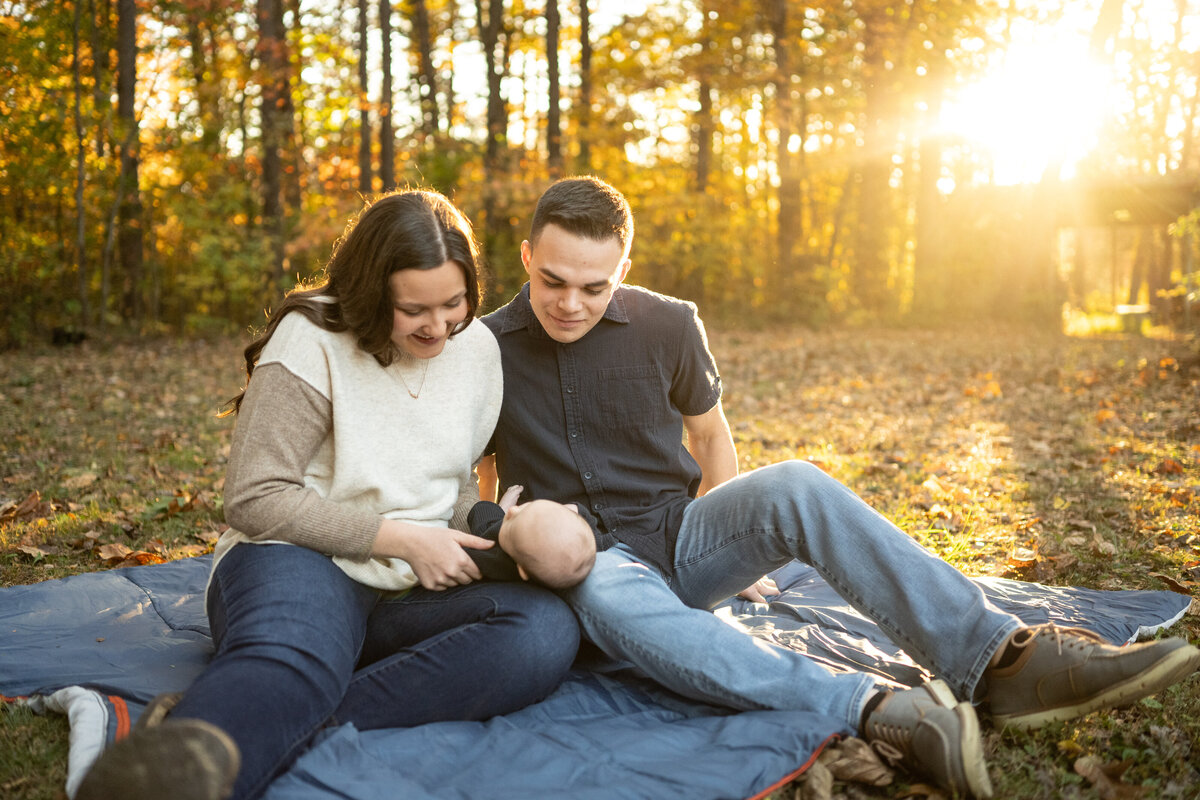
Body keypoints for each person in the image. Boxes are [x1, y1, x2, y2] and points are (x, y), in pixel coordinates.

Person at [476, 176, 1200, 799]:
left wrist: (731, 545)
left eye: (594, 287)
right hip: (582, 564)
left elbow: (710, 436)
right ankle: (884, 708)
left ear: (623, 265)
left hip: (678, 535)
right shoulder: (483, 348)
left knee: (795, 481)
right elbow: (471, 471)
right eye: (554, 282)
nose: (571, 303)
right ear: (528, 256)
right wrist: (495, 527)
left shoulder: (669, 324)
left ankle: (1001, 659)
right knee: (602, 583)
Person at [77, 190, 580, 800]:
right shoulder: (312, 336)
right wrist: (396, 537)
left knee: (542, 633)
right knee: (293, 663)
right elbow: (254, 497)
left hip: (409, 582)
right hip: (297, 556)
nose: (438, 327)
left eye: (454, 303)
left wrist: (496, 523)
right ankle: (185, 765)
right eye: (414, 309)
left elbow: (442, 485)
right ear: (372, 292)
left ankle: (277, 719)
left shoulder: (477, 350)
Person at [467, 484, 597, 588]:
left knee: (488, 517)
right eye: (528, 507)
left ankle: (501, 510)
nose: (513, 511)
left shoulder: (491, 558)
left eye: (510, 524)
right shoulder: (548, 567)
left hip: (491, 523)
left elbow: (482, 520)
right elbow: (590, 531)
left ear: (522, 571)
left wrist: (498, 510)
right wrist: (578, 511)